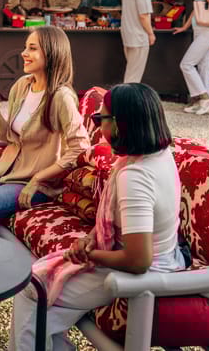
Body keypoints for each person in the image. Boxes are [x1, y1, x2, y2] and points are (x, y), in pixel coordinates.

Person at [10, 83, 185, 350]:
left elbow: (138, 261)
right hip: (161, 257)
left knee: (32, 287)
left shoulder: (135, 177)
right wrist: (91, 238)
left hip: (141, 275)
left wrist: (89, 255)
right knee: (39, 314)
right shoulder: (158, 155)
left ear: (120, 124)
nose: (98, 127)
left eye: (99, 118)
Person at [0, 26, 90, 233]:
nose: (24, 53)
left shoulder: (62, 97)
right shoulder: (22, 86)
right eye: (25, 47)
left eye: (32, 48)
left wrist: (38, 178)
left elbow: (81, 146)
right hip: (6, 169)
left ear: (51, 53)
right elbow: (11, 138)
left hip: (33, 181)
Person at [120, 0, 155, 83]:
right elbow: (143, 15)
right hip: (139, 37)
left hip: (128, 36)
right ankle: (126, 96)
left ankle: (127, 95)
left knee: (131, 73)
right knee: (133, 78)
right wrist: (151, 33)